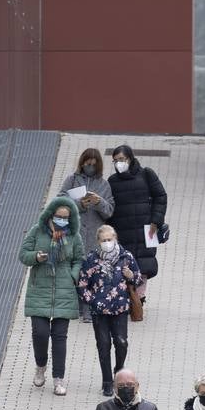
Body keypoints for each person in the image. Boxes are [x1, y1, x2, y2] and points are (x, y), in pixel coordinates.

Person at [19, 196, 84, 396]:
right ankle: (40, 366)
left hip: (64, 290)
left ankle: (58, 378)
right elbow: (23, 254)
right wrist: (36, 257)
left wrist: (73, 276)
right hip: (40, 288)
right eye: (58, 216)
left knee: (59, 336)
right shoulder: (37, 231)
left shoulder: (74, 236)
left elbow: (79, 259)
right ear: (51, 214)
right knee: (40, 333)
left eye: (66, 217)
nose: (62, 220)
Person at [77, 225, 143, 396]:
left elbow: (137, 278)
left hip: (120, 308)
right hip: (100, 312)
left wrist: (131, 276)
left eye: (110, 239)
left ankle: (118, 371)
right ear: (98, 241)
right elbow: (82, 285)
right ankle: (107, 381)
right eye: (104, 240)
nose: (107, 243)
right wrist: (92, 301)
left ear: (115, 239)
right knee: (103, 345)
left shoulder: (126, 256)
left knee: (121, 342)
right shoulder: (92, 259)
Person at [108, 144, 167, 315]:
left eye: (122, 159)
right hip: (122, 230)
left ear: (130, 158)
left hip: (146, 230)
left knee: (144, 266)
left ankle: (138, 300)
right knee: (124, 266)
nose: (119, 163)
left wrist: (156, 220)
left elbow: (160, 196)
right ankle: (127, 298)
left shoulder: (146, 174)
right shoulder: (112, 181)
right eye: (115, 160)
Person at [59, 148, 115, 322]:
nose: (90, 166)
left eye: (93, 164)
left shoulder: (104, 184)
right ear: (82, 163)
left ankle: (89, 308)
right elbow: (59, 202)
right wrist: (80, 203)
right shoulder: (72, 180)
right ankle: (75, 306)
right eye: (87, 163)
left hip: (94, 235)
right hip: (75, 233)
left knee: (92, 272)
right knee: (75, 271)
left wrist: (99, 202)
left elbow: (109, 211)